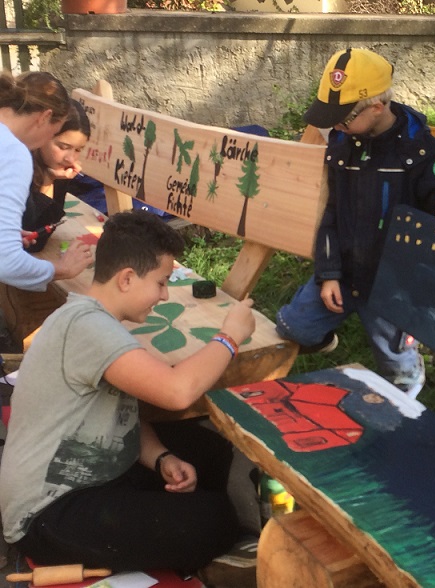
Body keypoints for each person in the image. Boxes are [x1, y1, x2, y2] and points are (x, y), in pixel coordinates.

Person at [0, 209, 256, 575]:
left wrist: (162, 458)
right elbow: (178, 392)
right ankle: (201, 544)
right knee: (214, 520)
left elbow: (121, 416)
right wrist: (229, 337)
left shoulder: (92, 319)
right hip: (46, 512)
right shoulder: (89, 329)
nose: (164, 295)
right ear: (127, 278)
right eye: (161, 282)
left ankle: (181, 531)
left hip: (88, 472)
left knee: (209, 449)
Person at [275, 47, 435, 398]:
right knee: (291, 327)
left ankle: (409, 380)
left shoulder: (420, 150)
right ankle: (331, 327)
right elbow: (332, 213)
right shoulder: (342, 144)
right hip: (345, 270)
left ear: (376, 107)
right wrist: (328, 273)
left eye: (343, 119)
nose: (336, 127)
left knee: (396, 365)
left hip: (391, 281)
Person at [0, 71, 92, 291]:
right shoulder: (13, 153)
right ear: (44, 117)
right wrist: (60, 269)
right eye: (54, 134)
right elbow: (6, 262)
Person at [22, 98, 91, 253]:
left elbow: (43, 233)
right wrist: (48, 181)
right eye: (63, 147)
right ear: (44, 135)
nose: (70, 159)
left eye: (78, 150)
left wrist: (51, 179)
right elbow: (30, 242)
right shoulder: (19, 166)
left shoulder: (56, 167)